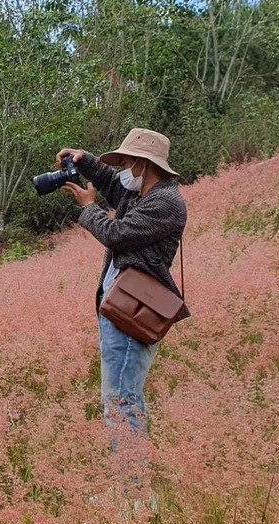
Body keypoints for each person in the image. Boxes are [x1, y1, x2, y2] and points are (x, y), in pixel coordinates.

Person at [56, 128, 189, 490]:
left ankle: (135, 493)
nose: (125, 168)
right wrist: (84, 161)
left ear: (145, 165)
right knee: (121, 398)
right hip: (120, 308)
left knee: (121, 401)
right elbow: (114, 185)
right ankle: (132, 486)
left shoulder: (166, 204)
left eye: (130, 162)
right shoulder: (141, 192)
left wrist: (89, 208)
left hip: (133, 313)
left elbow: (116, 234)